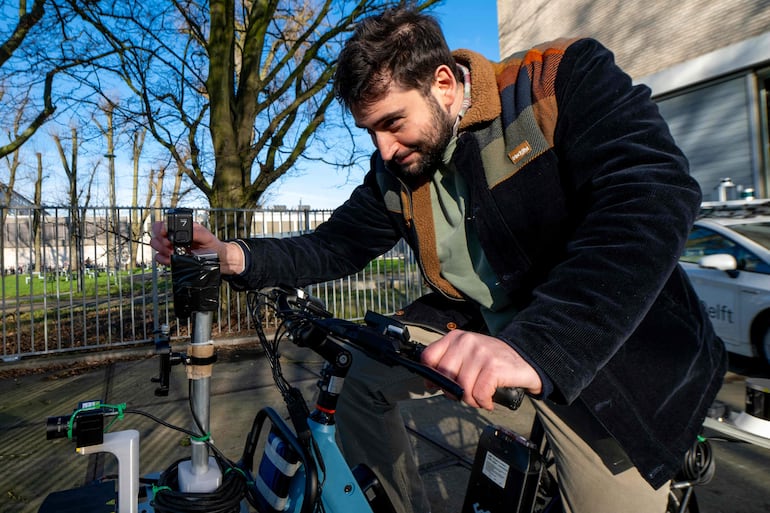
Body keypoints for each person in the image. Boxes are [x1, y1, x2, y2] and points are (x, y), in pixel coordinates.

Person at [151, 6, 726, 513]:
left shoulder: (559, 79)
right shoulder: (397, 171)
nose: (384, 149)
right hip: (476, 330)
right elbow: (334, 245)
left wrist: (540, 345)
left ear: (444, 83)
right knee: (357, 380)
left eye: (393, 124)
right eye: (370, 132)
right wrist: (230, 255)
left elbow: (652, 195)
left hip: (608, 355)